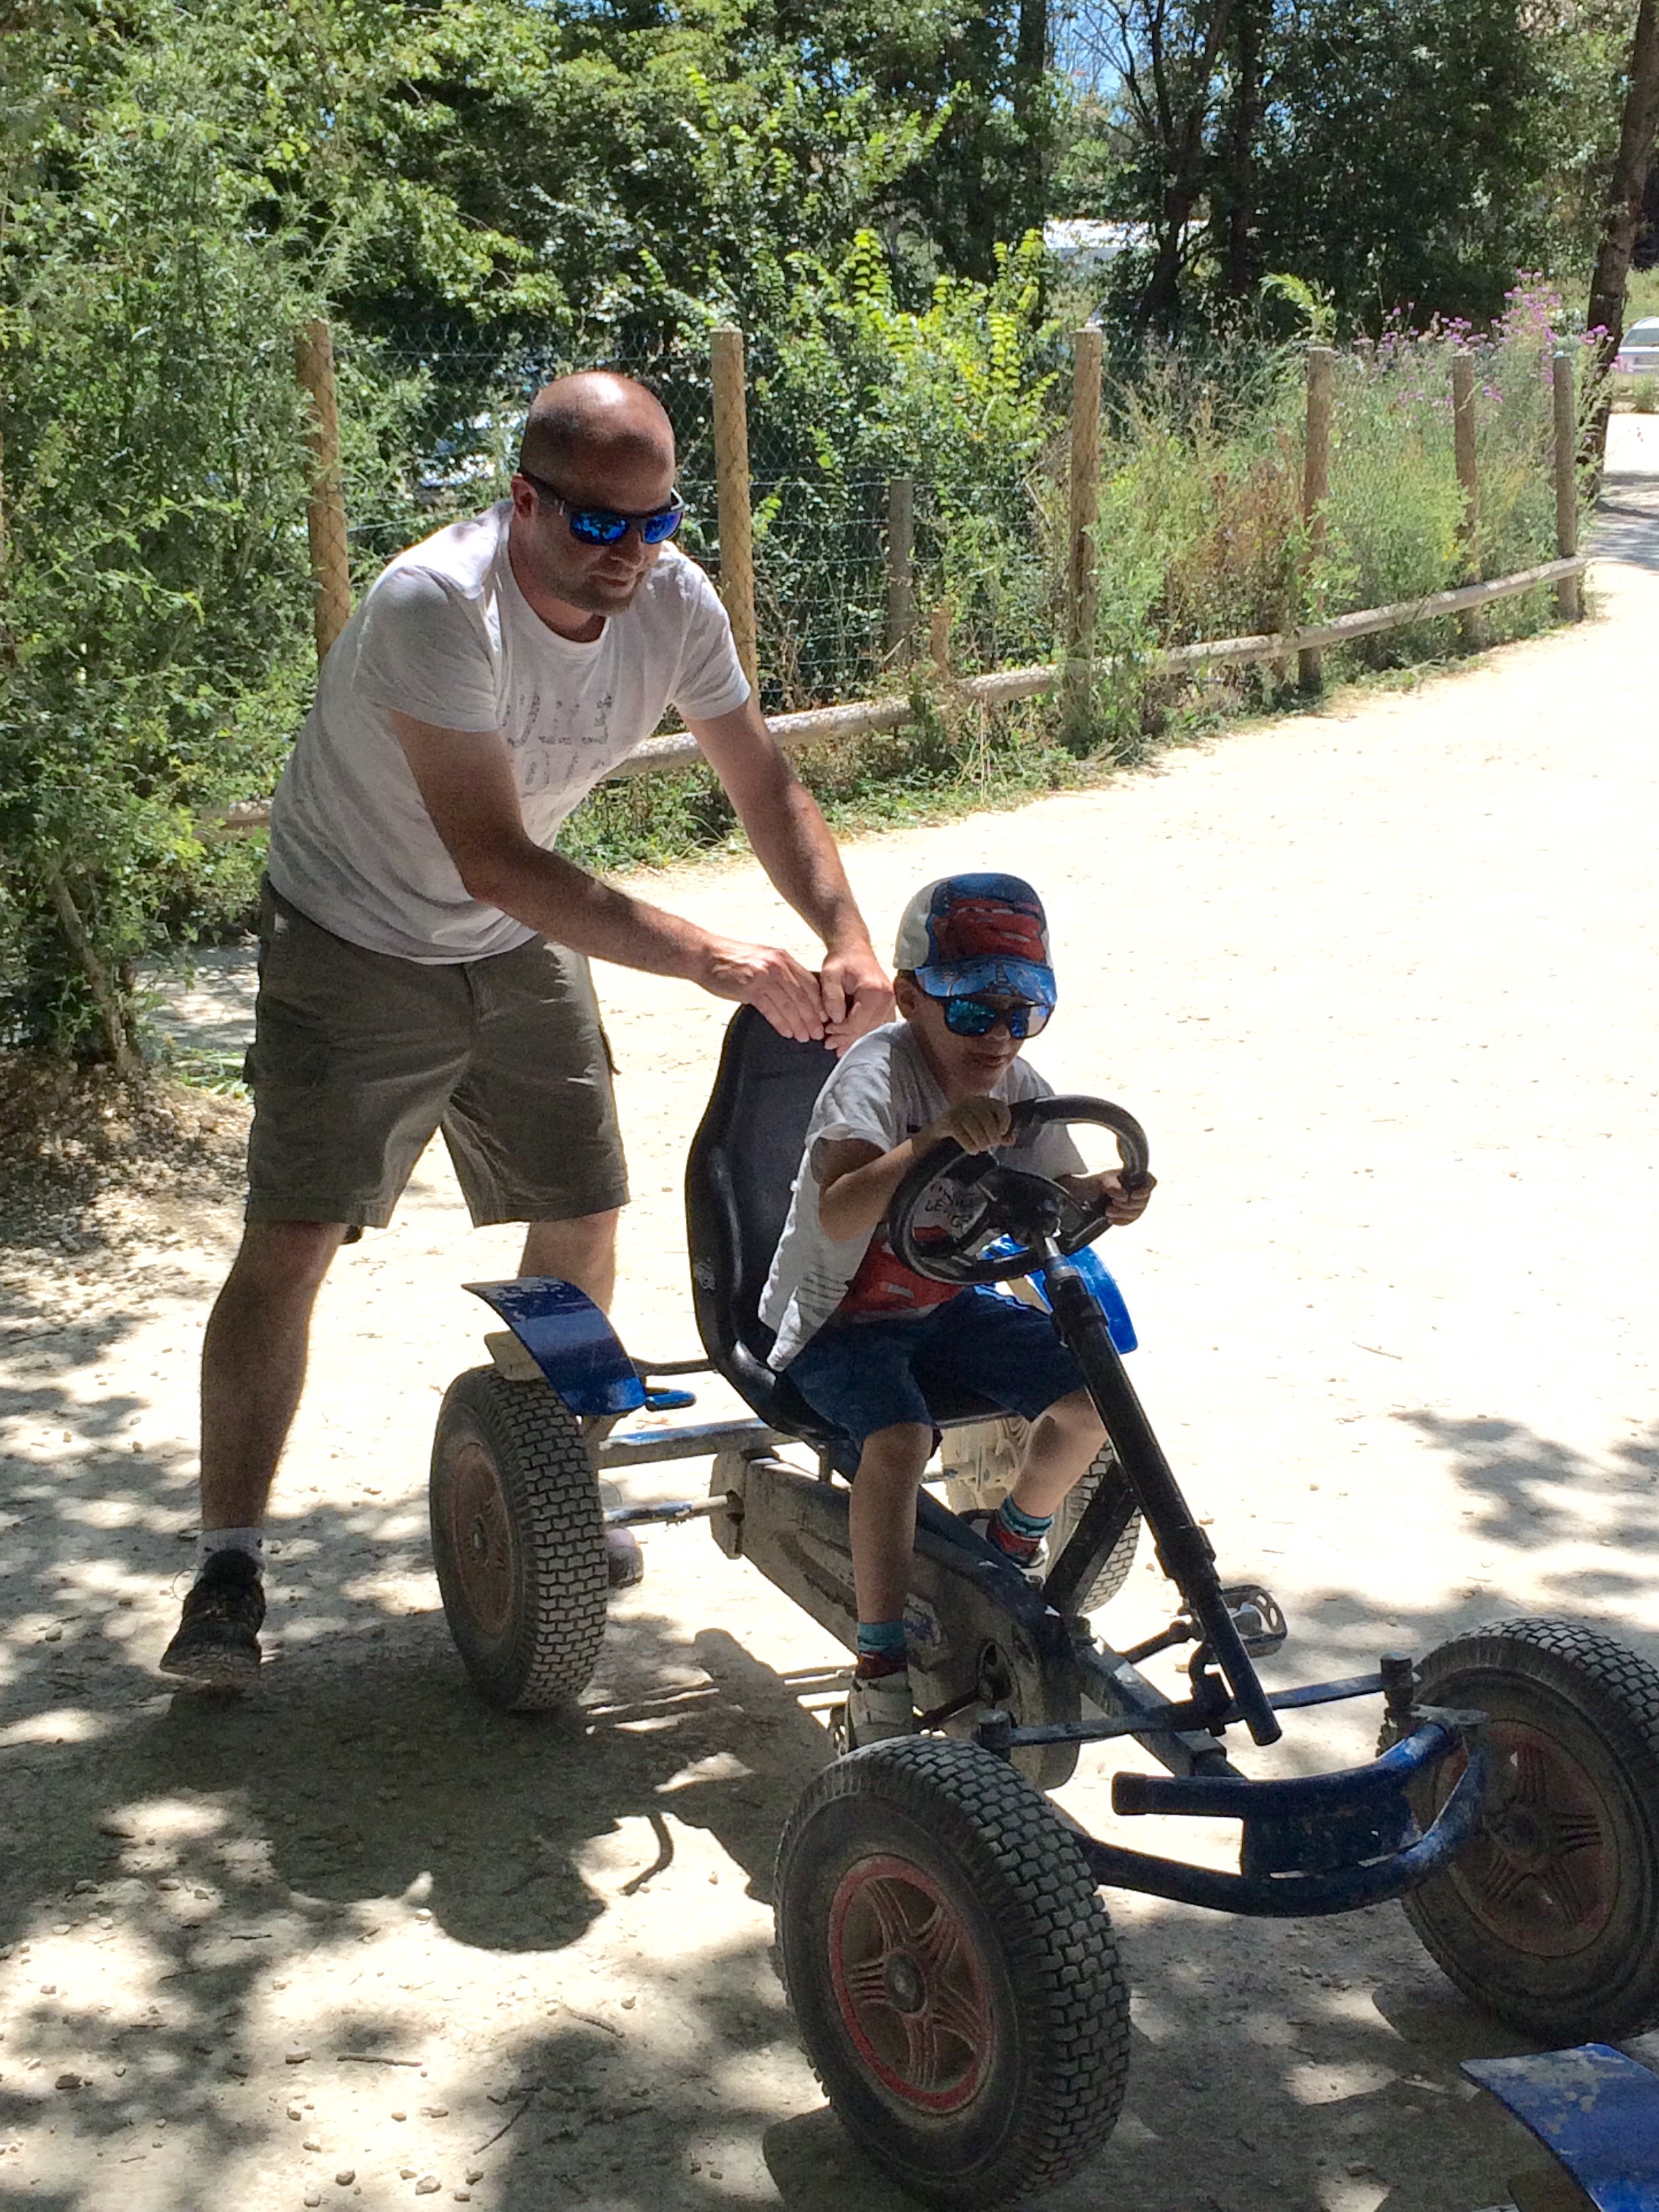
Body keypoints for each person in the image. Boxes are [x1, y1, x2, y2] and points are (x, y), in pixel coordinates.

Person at [161, 371, 890, 1688]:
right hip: (352, 930)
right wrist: (716, 957)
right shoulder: (438, 605)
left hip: (509, 936)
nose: (629, 553)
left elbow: (763, 780)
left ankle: (551, 1483)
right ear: (523, 501)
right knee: (297, 1235)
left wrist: (846, 934)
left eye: (656, 523)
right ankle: (228, 1568)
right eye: (598, 523)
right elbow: (493, 857)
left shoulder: (674, 601)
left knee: (583, 1207)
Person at [759, 872, 1154, 1744]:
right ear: (910, 999)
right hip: (838, 1321)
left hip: (944, 1305)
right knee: (902, 1441)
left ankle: (1010, 1544)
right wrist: (933, 1139)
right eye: (974, 1011)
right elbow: (839, 1210)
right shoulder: (877, 1074)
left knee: (1095, 1396)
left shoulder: (1019, 1084)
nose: (1000, 1034)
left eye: (1023, 1012)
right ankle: (880, 1661)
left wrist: (1102, 1193)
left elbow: (1054, 1191)